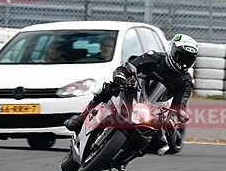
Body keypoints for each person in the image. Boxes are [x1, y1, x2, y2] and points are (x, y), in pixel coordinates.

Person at [64, 34, 198, 158]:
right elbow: (129, 67)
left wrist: (174, 118)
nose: (184, 63)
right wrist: (121, 75)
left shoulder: (186, 82)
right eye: (181, 57)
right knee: (106, 89)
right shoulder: (154, 57)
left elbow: (180, 105)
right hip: (133, 90)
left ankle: (127, 156)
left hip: (155, 109)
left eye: (188, 59)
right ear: (172, 51)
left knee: (161, 146)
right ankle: (81, 119)